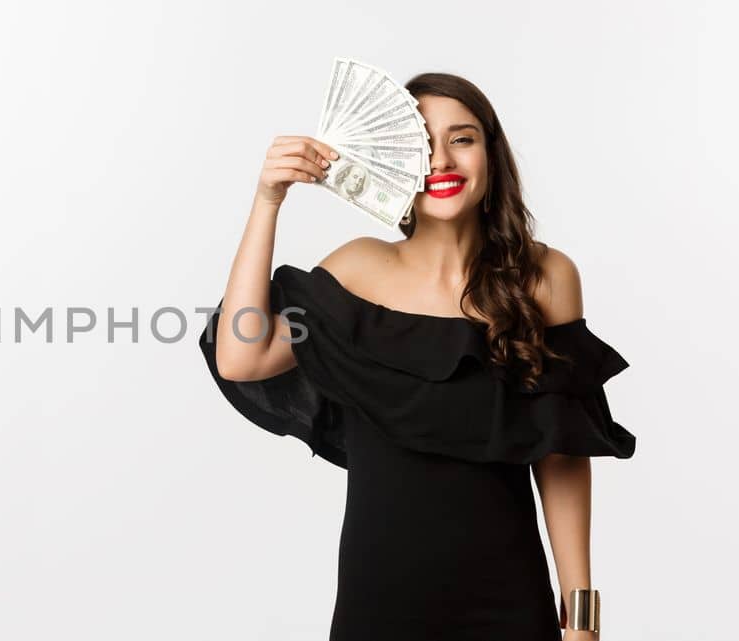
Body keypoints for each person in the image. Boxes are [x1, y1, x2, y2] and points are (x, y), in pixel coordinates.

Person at [198, 72, 634, 641]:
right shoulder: (356, 270)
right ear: (392, 161)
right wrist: (267, 201)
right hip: (380, 599)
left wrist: (581, 618)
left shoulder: (546, 278)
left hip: (508, 599)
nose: (441, 160)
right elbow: (241, 357)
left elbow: (562, 455)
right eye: (421, 144)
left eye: (462, 138)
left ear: (491, 154)